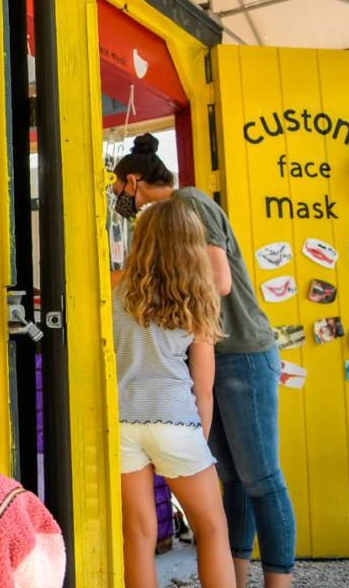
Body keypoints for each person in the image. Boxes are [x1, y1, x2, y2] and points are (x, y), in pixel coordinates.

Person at [111, 134, 295, 588]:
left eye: (118, 188)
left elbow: (222, 281)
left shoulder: (189, 202)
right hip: (188, 393)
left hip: (237, 357)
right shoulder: (187, 301)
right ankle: (237, 574)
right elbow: (202, 388)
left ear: (132, 181)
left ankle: (277, 580)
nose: (119, 198)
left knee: (258, 478)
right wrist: (198, 432)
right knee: (228, 495)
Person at [113, 199, 234, 588]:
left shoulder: (115, 288)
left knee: (138, 536)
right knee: (212, 529)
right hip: (175, 419)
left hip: (123, 422)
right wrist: (199, 438)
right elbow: (204, 389)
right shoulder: (197, 298)